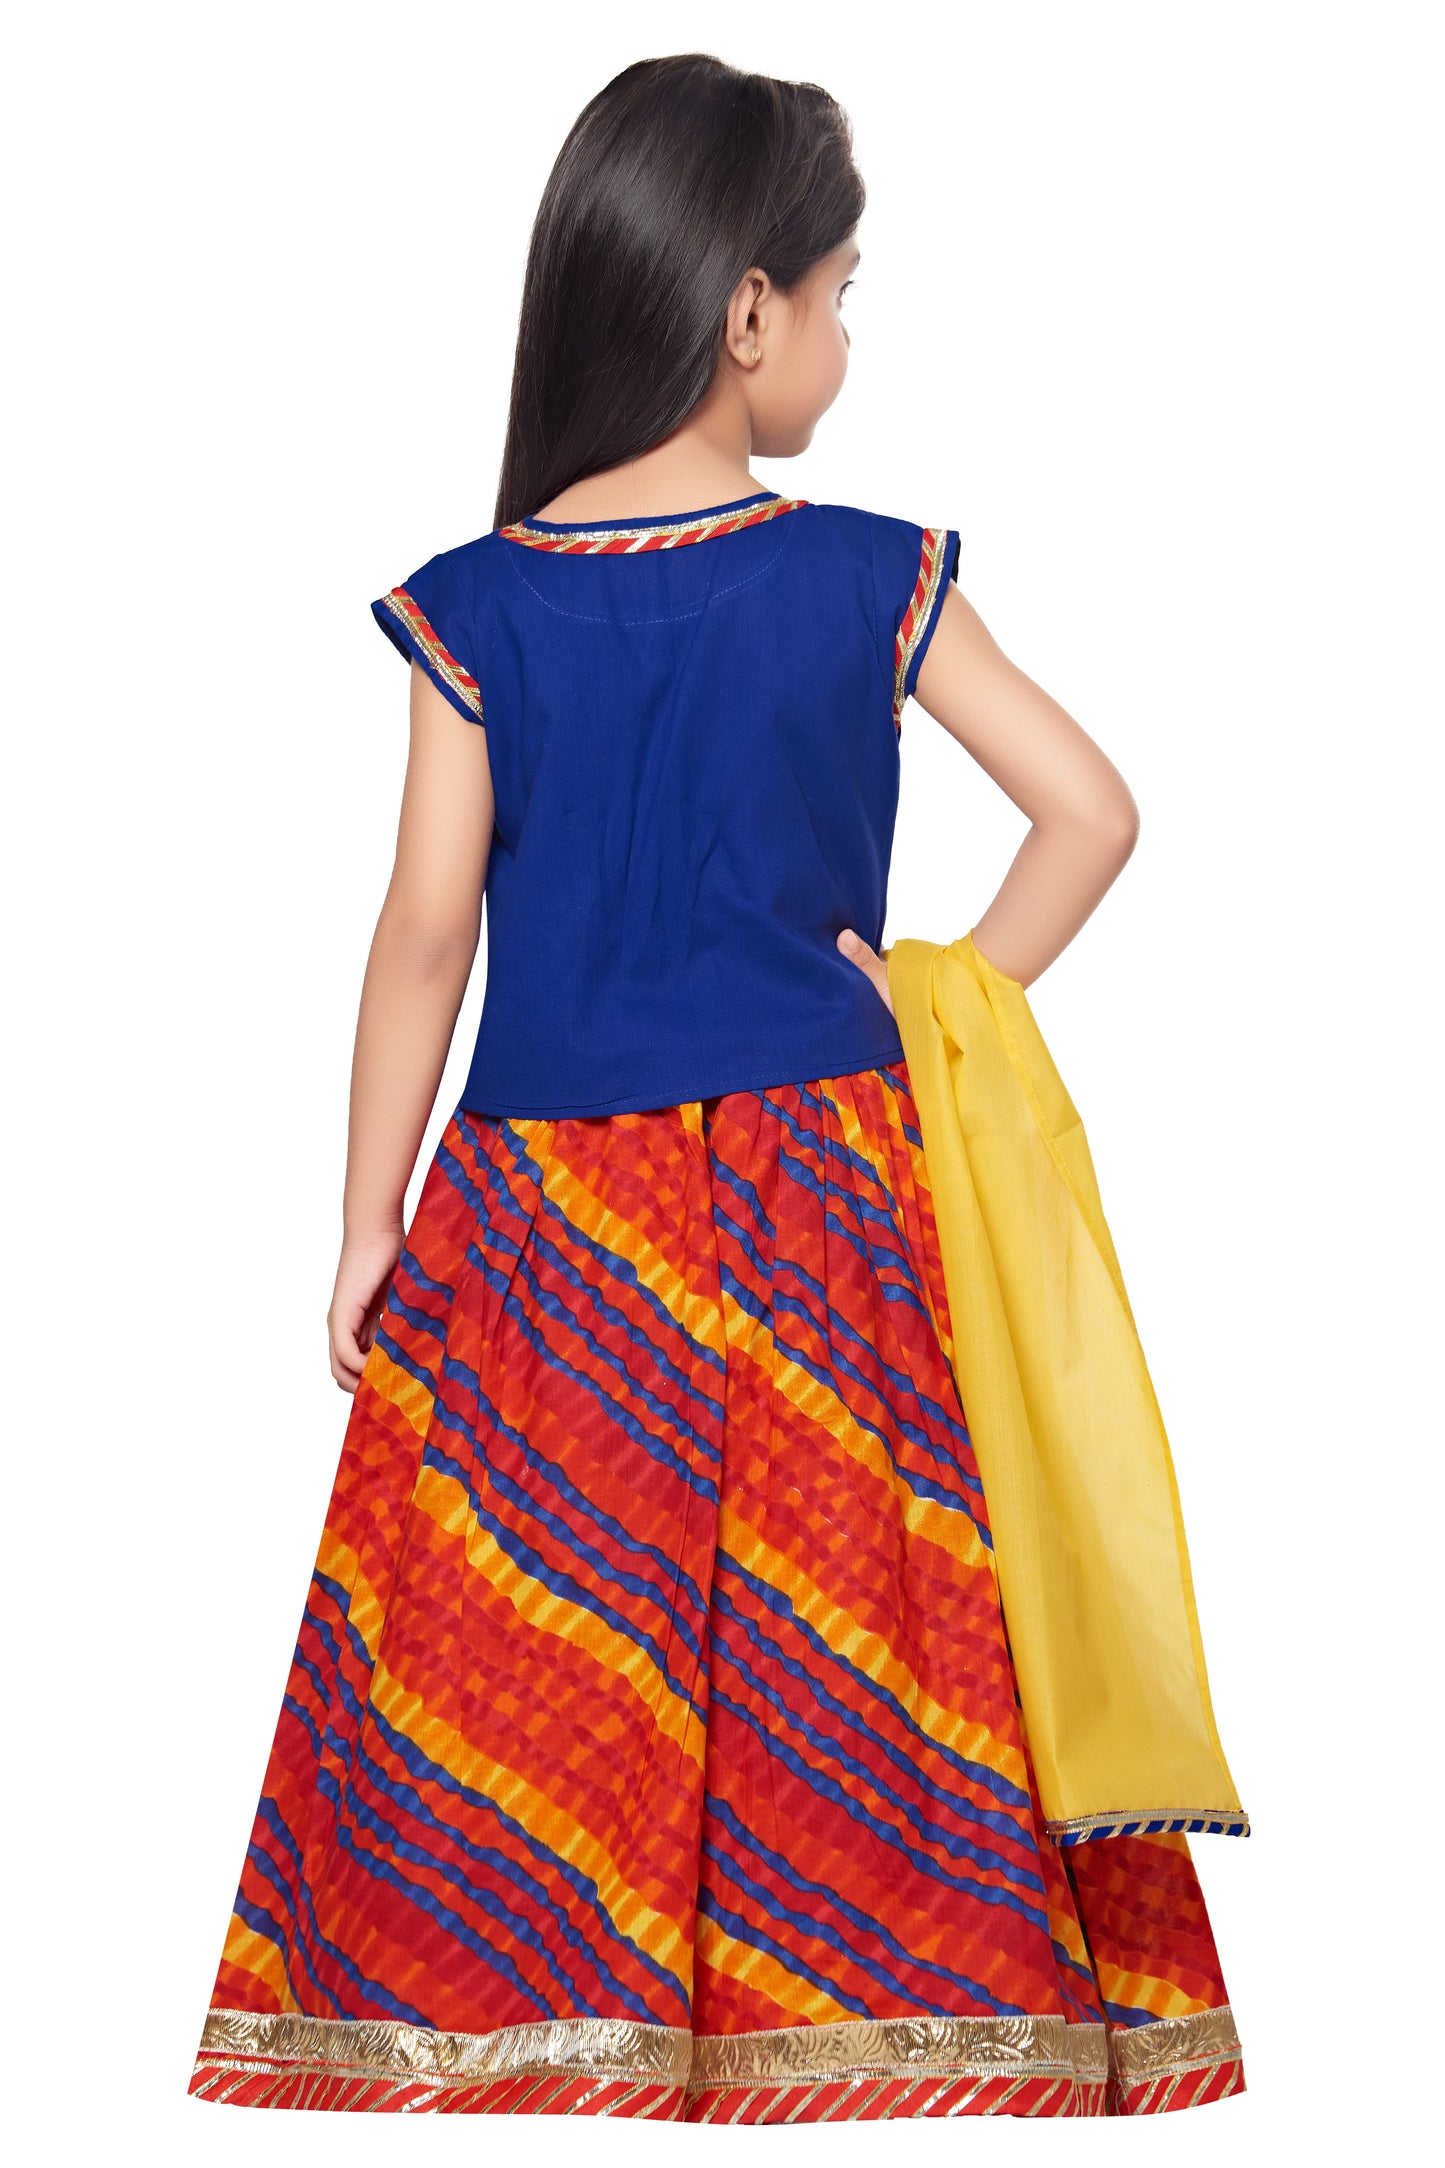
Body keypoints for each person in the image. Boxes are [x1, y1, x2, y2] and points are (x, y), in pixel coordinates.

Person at [187, 51, 1244, 2123]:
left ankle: (533, 2013)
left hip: (544, 1234)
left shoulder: (479, 604)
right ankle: (881, 2016)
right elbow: (1093, 813)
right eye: (842, 294)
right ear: (746, 309)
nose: (846, 337)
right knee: (846, 1626)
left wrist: (366, 1217)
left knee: (549, 1627)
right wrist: (930, 997)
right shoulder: (867, 572)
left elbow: (424, 932)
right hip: (823, 1202)